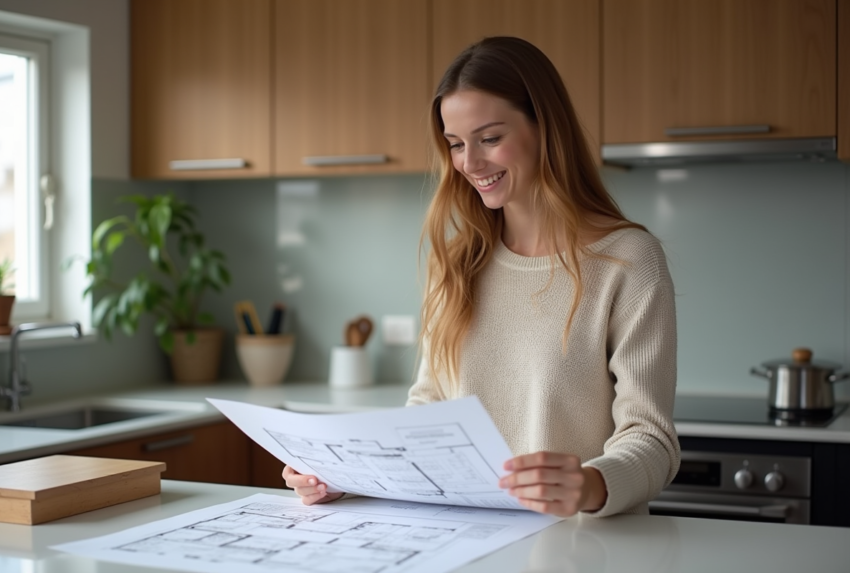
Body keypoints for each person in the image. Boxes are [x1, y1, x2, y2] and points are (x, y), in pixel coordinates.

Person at [284, 36, 680, 518]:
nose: (469, 163)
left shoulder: (628, 260)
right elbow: (428, 411)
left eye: (490, 138)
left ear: (544, 128)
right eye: (455, 144)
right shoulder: (456, 262)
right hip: (463, 544)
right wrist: (345, 478)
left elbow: (651, 438)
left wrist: (593, 484)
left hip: (579, 547)